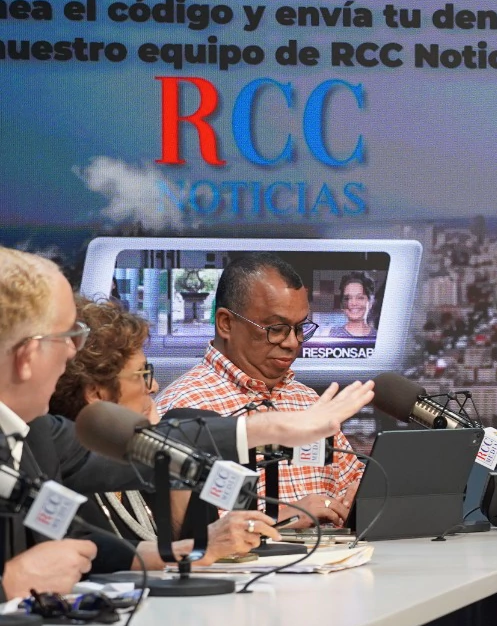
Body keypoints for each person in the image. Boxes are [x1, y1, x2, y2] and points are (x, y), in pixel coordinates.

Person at [0, 248, 374, 596]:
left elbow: (91, 529)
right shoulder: (182, 399)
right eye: (67, 336)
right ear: (28, 355)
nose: (72, 352)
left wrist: (186, 551)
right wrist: (9, 583)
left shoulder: (39, 436)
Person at [49, 297, 269, 566]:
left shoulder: (137, 458)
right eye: (142, 373)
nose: (153, 386)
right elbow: (99, 564)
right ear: (97, 393)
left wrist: (166, 457)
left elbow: (191, 551)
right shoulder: (63, 475)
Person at [155, 254, 363, 528]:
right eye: (276, 329)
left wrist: (359, 494)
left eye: (300, 328)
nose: (292, 343)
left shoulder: (307, 400)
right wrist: (280, 520)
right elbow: (171, 532)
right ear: (226, 323)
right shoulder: (181, 411)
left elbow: (351, 479)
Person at [330, 273, 376, 338]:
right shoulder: (333, 336)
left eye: (360, 298)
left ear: (370, 303)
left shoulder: (379, 337)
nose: (354, 303)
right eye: (348, 298)